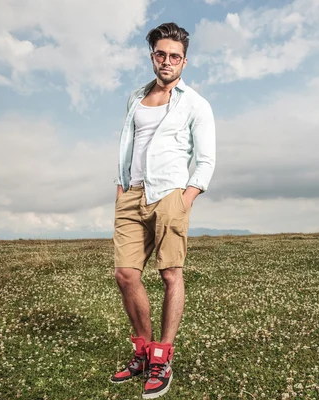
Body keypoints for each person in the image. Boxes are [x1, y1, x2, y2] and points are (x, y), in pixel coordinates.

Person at [109, 22, 216, 399]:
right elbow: (128, 145)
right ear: (152, 56)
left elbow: (205, 161)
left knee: (171, 274)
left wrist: (184, 199)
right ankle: (142, 350)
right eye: (160, 54)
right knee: (126, 274)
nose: (167, 61)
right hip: (131, 195)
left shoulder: (195, 104)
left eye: (174, 56)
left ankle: (162, 358)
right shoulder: (135, 98)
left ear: (184, 61)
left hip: (169, 195)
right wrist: (121, 185)